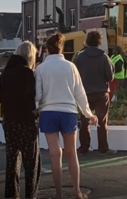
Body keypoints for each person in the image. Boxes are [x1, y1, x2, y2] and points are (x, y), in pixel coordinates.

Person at [35, 33, 97, 199]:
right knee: (71, 153)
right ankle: (77, 192)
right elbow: (80, 93)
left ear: (47, 50)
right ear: (61, 48)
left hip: (48, 112)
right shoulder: (71, 67)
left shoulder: (40, 69)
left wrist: (36, 108)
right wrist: (88, 113)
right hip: (68, 112)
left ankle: (58, 194)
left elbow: (37, 95)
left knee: (55, 154)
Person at [0, 41, 40, 199]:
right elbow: (29, 97)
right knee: (31, 163)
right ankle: (31, 195)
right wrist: (35, 113)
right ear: (30, 55)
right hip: (25, 122)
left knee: (12, 160)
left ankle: (11, 194)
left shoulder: (5, 72)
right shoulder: (26, 73)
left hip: (9, 122)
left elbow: (0, 95)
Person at [74, 31, 116, 156]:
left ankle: (84, 148)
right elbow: (110, 77)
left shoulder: (80, 57)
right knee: (102, 121)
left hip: (85, 93)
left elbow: (75, 75)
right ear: (99, 41)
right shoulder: (104, 57)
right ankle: (103, 148)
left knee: (85, 120)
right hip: (101, 93)